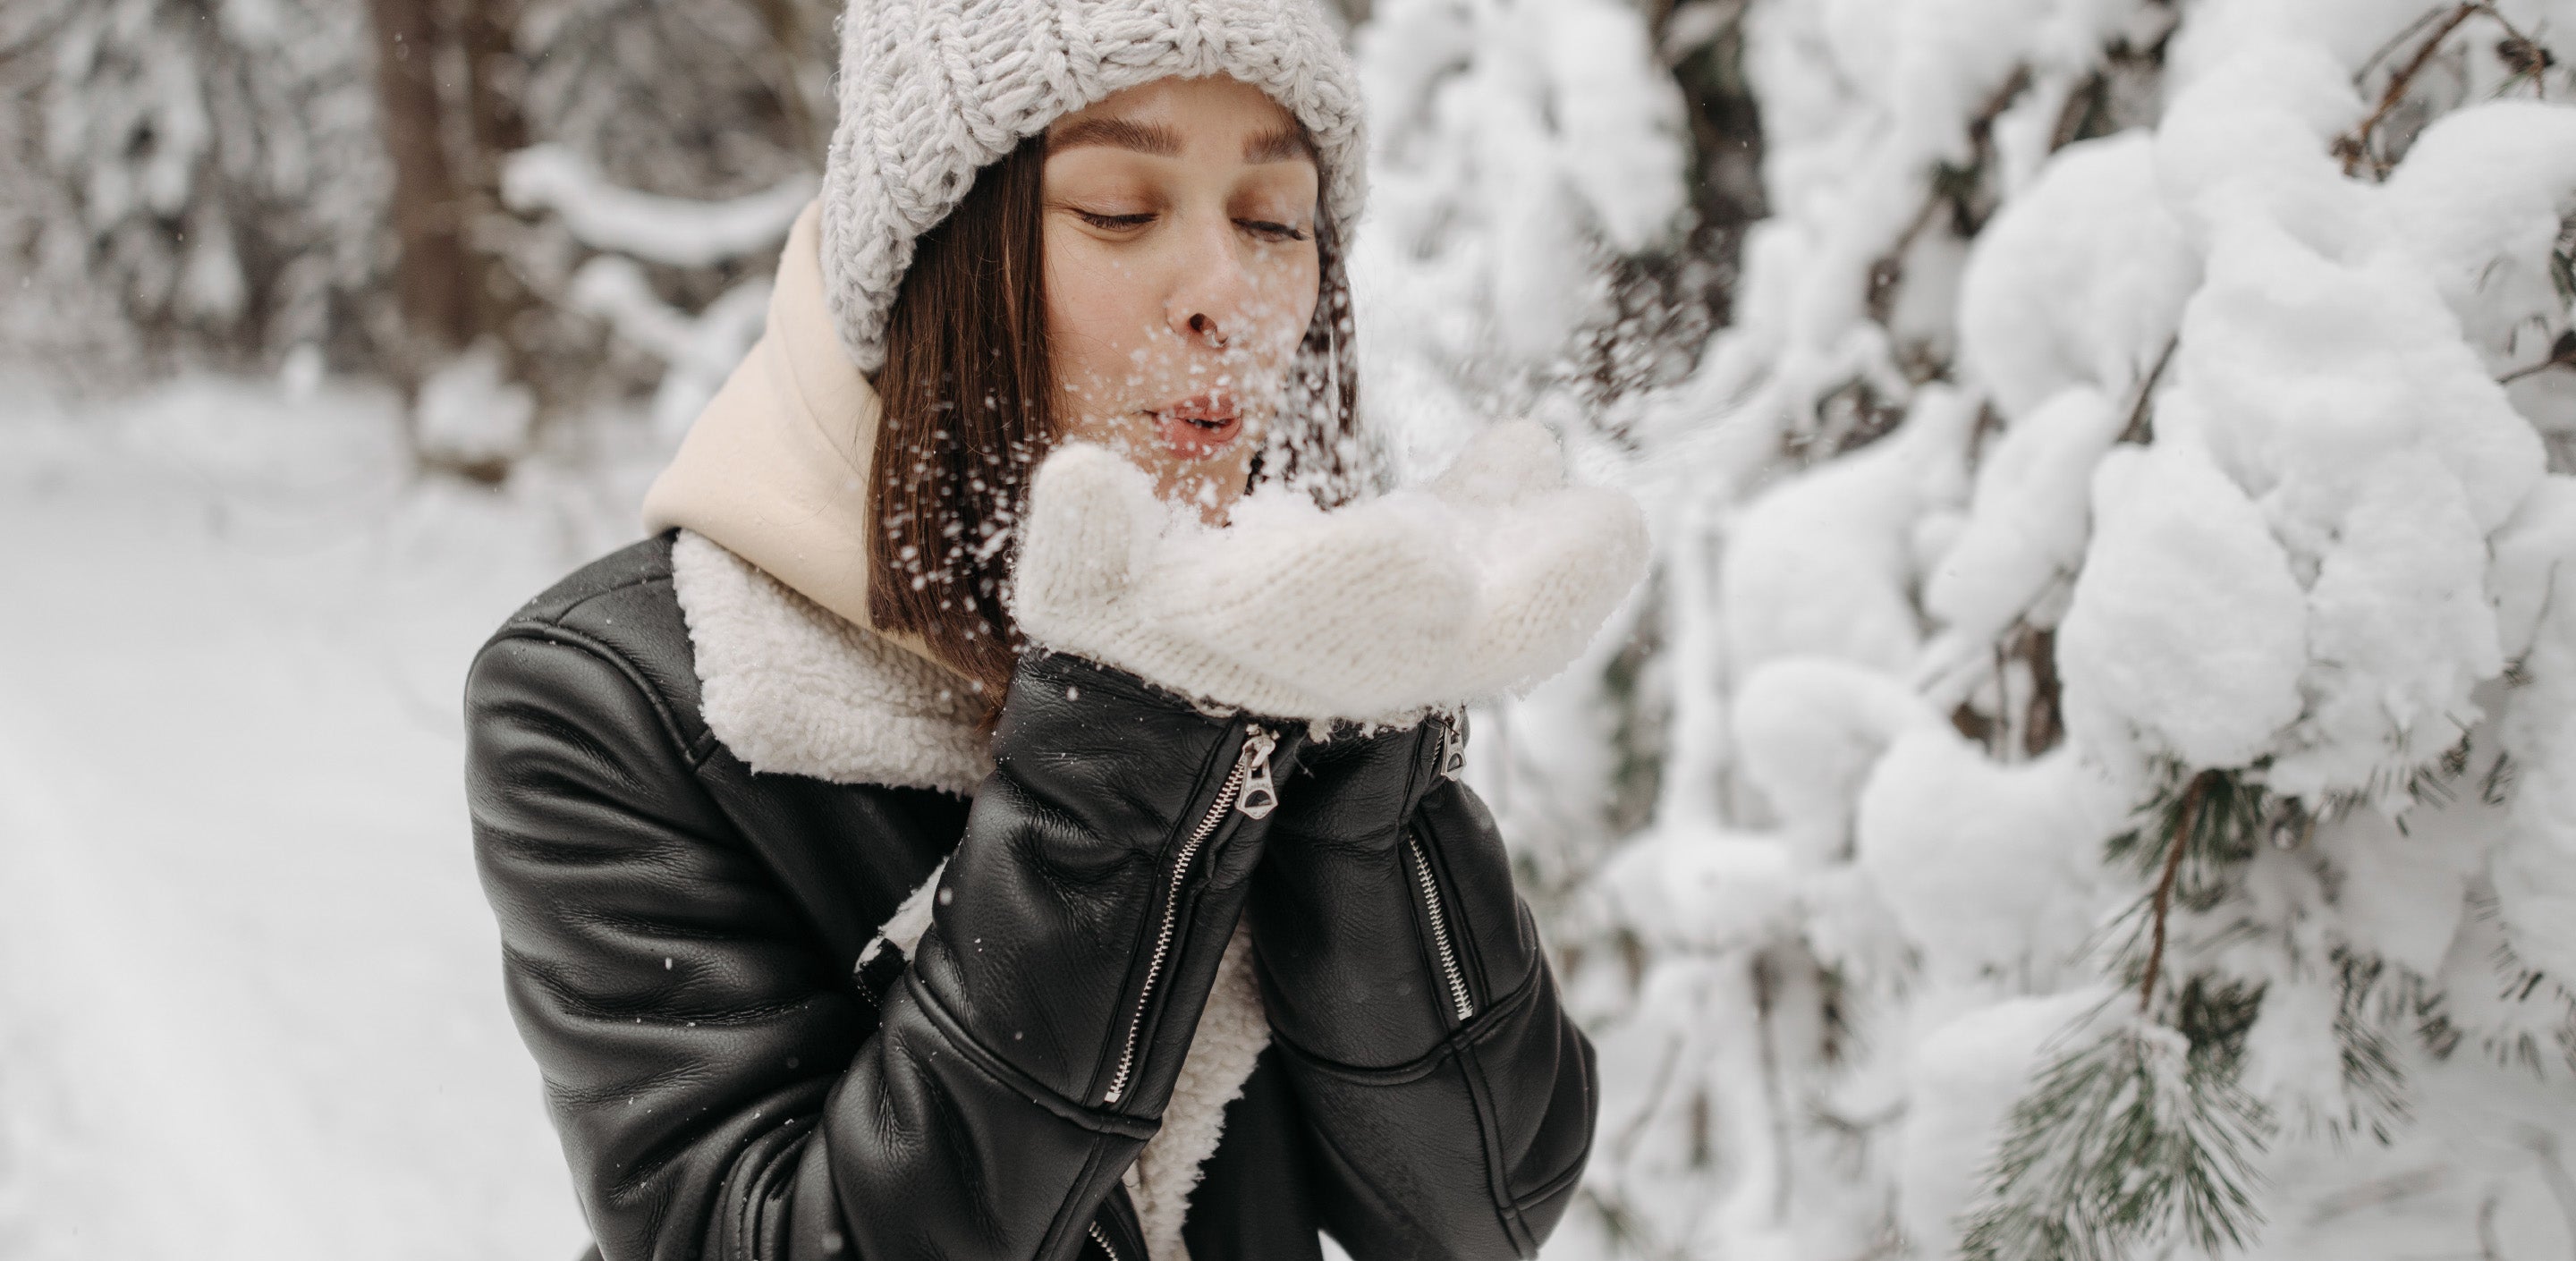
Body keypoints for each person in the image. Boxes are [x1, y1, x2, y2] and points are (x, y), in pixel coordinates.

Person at [462, 1, 1646, 1257]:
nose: (1225, 293)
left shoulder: (1283, 620)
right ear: (937, 247)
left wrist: (1371, 765)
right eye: (1121, 211)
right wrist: (1123, 751)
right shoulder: (622, 702)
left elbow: (1477, 1210)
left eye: (1272, 222)